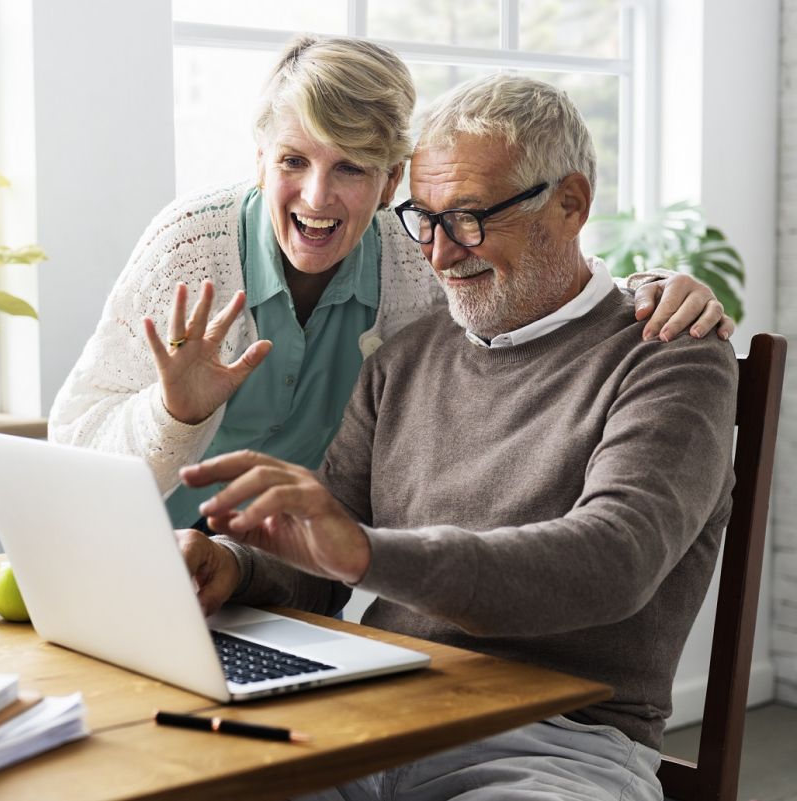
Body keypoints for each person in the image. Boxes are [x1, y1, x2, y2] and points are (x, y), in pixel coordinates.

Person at [176, 74, 737, 800]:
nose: (439, 253)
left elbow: (614, 559)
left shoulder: (670, 351)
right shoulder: (405, 359)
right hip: (375, 712)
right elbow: (319, 561)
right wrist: (233, 565)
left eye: (470, 218)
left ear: (570, 204)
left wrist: (367, 553)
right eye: (424, 217)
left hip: (558, 743)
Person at [49, 35, 732, 532]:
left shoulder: (421, 251)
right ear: (259, 162)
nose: (317, 196)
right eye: (293, 159)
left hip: (290, 580)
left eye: (350, 167)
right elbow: (72, 456)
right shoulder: (190, 248)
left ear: (390, 180)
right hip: (147, 556)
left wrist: (657, 284)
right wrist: (174, 416)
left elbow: (534, 262)